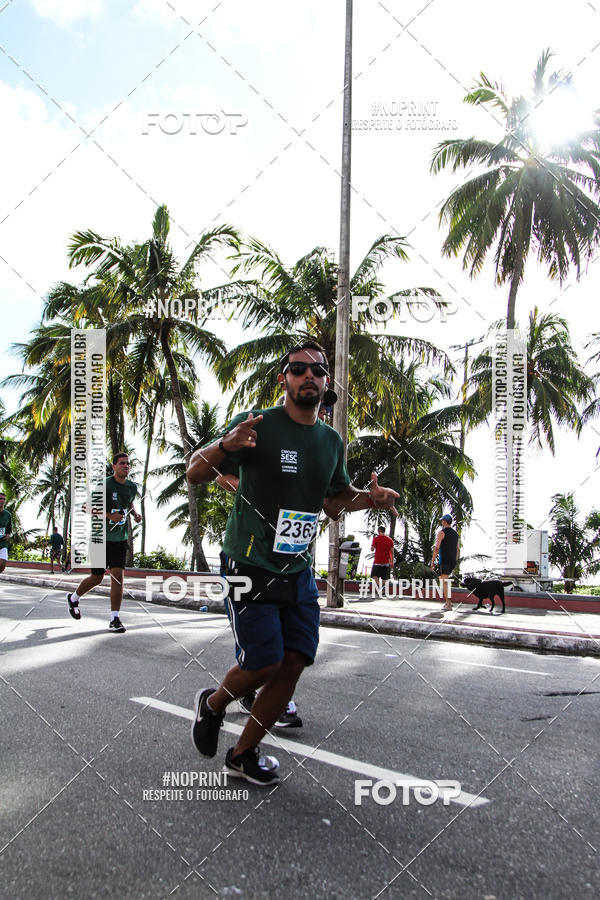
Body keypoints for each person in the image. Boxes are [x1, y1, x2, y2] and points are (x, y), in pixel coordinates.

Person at [187, 340, 399, 785]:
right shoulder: (258, 424)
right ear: (284, 378)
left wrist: (369, 498)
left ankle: (243, 754)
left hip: (298, 569)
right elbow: (195, 472)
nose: (309, 376)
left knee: (294, 662)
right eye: (298, 369)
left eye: (317, 371)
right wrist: (226, 445)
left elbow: (335, 501)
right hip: (249, 564)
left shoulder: (330, 442)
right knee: (263, 663)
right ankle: (211, 704)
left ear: (326, 383)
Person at [66, 452, 142, 633]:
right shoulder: (105, 485)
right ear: (114, 466)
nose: (126, 466)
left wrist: (135, 514)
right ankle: (74, 598)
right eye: (122, 463)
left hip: (120, 539)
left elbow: (129, 502)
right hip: (100, 538)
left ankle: (114, 618)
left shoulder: (131, 487)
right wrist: (109, 516)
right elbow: (86, 507)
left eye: (128, 464)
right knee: (97, 577)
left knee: (118, 577)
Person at [431, 513, 459, 612]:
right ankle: (448, 602)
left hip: (444, 560)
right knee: (444, 580)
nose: (441, 522)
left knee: (444, 582)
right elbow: (457, 549)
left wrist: (433, 561)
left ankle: (448, 604)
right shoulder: (456, 534)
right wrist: (455, 561)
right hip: (452, 560)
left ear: (444, 521)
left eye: (442, 520)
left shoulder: (442, 532)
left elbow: (437, 547)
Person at [0, 492, 13, 575]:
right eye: (0, 499)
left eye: (4, 499)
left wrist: (8, 535)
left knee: (3, 563)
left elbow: (9, 528)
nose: (2, 501)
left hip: (2, 543)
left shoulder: (8, 515)